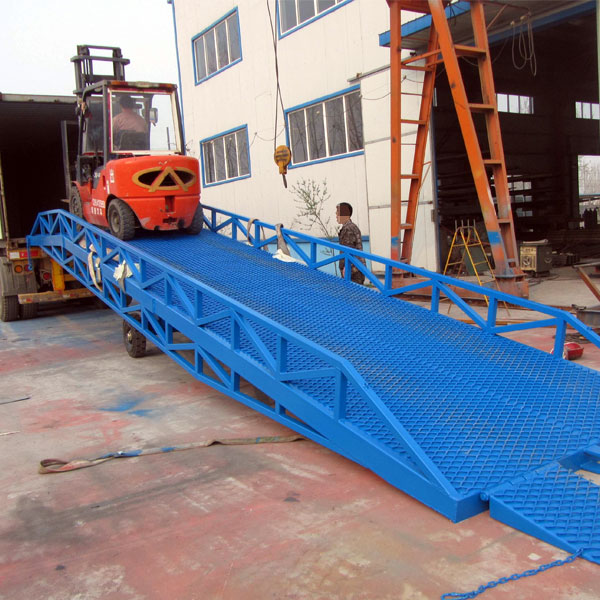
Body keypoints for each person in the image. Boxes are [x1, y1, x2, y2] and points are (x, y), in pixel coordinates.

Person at [336, 202, 366, 285]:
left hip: (352, 270)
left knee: (352, 292)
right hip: (356, 268)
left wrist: (347, 267)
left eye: (338, 213)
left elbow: (348, 249)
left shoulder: (348, 229)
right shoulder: (353, 227)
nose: (336, 215)